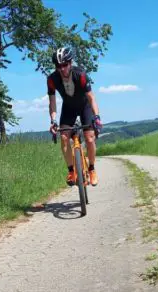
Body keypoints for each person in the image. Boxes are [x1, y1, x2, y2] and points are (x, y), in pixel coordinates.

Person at [47, 47, 103, 187]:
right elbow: (52, 102)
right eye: (58, 66)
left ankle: (91, 169)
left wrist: (96, 117)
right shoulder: (52, 79)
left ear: (70, 63)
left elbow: (91, 98)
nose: (62, 69)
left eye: (65, 65)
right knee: (64, 138)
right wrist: (53, 120)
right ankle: (71, 170)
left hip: (85, 106)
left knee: (90, 138)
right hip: (68, 108)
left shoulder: (81, 75)